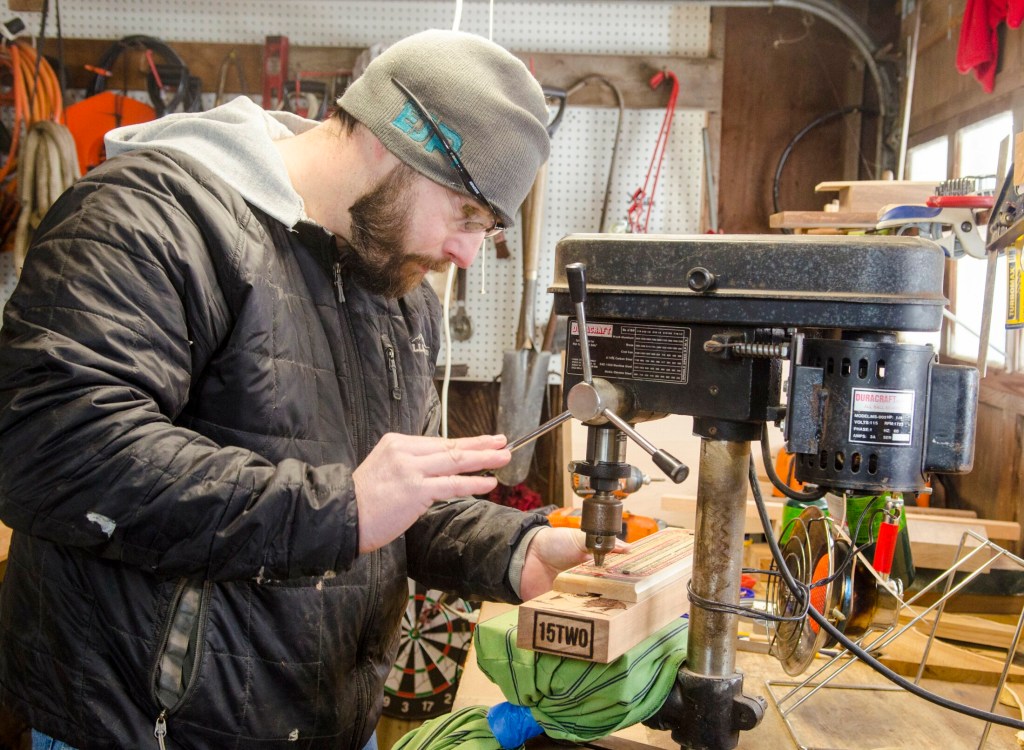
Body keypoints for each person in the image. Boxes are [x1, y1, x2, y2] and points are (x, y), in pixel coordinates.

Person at [0, 29, 602, 750]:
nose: (464, 252)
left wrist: (515, 552)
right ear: (394, 136)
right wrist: (340, 509)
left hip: (325, 723)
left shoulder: (397, 293)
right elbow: (53, 447)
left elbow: (388, 507)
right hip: (146, 726)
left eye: (488, 230)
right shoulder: (153, 218)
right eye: (467, 214)